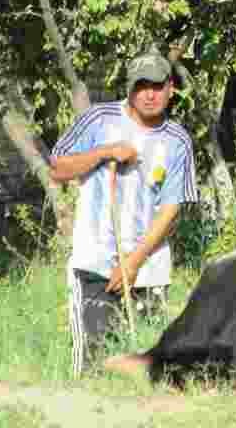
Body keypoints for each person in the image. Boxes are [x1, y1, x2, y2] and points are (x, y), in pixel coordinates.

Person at [49, 46, 198, 378]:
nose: (149, 95)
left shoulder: (178, 141)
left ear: (171, 88)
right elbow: (57, 168)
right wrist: (104, 152)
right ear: (129, 88)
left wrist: (132, 262)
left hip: (148, 270)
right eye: (141, 86)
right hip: (95, 265)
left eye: (157, 86)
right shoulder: (99, 119)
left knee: (149, 371)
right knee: (93, 368)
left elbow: (171, 210)